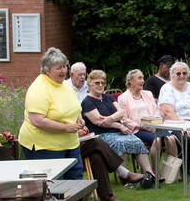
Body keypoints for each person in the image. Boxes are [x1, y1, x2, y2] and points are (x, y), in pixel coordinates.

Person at [18, 48, 85, 176]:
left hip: (70, 144)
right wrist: (65, 127)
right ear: (46, 70)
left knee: (76, 180)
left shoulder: (65, 85)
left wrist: (79, 118)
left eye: (65, 66)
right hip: (44, 147)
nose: (64, 71)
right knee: (54, 185)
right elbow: (37, 120)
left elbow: (75, 107)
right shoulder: (39, 88)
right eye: (59, 68)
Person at [81, 69, 155, 185]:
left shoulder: (108, 98)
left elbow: (121, 112)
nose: (100, 85)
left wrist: (109, 119)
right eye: (97, 83)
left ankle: (150, 175)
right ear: (90, 84)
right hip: (101, 135)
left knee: (136, 141)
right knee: (120, 143)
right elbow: (98, 122)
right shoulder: (87, 101)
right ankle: (125, 179)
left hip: (117, 131)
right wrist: (119, 125)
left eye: (103, 83)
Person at [117, 68, 179, 160]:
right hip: (137, 129)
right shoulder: (123, 98)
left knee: (171, 139)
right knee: (157, 140)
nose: (142, 81)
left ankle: (171, 170)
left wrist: (154, 123)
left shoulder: (148, 94)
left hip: (154, 126)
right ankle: (154, 171)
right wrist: (143, 125)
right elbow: (124, 119)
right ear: (130, 81)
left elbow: (156, 111)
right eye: (139, 78)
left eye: (143, 78)